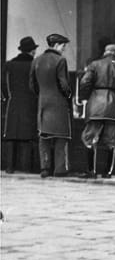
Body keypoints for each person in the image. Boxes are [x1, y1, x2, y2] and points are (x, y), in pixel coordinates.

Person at [78, 44, 115, 179]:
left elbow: (85, 82)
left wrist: (86, 97)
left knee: (89, 138)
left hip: (95, 105)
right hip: (113, 108)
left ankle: (91, 170)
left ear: (105, 52)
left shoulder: (94, 65)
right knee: (110, 141)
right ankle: (107, 172)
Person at [29, 33, 73, 177]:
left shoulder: (36, 61)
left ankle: (45, 168)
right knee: (61, 137)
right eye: (63, 46)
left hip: (43, 102)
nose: (64, 49)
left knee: (44, 137)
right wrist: (69, 96)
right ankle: (60, 169)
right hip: (58, 103)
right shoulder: (61, 60)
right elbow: (63, 83)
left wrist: (41, 95)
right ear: (56, 45)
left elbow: (32, 85)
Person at [2, 36, 39, 173]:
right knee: (28, 135)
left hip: (14, 101)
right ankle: (26, 167)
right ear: (32, 51)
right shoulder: (34, 64)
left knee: (11, 134)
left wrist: (7, 97)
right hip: (30, 102)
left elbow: (2, 83)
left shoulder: (10, 64)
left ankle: (10, 166)